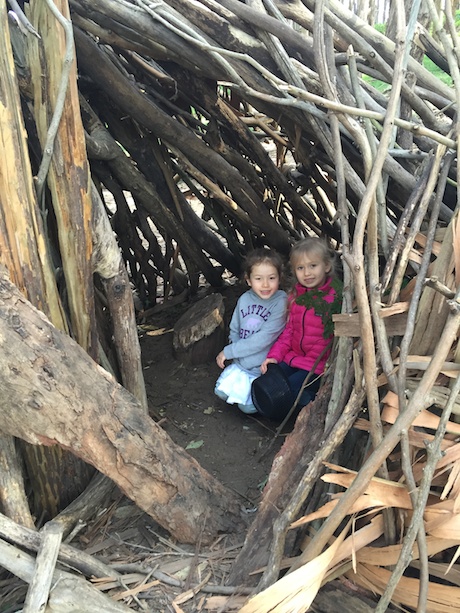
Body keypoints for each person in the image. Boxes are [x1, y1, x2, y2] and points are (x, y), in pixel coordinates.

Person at [254, 237, 341, 419]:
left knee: (290, 390)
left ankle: (305, 409)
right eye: (300, 268)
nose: (307, 273)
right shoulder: (295, 298)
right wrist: (274, 357)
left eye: (313, 266)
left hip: (316, 367)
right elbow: (289, 332)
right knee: (269, 381)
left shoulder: (334, 300)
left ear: (326, 266)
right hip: (292, 358)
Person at [214, 248, 288, 414]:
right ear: (248, 280)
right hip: (242, 363)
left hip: (262, 368)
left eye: (271, 278)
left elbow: (263, 339)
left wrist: (229, 351)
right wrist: (235, 353)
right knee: (221, 391)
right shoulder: (245, 299)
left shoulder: (281, 302)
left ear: (279, 278)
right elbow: (234, 328)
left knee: (248, 407)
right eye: (258, 278)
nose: (265, 284)